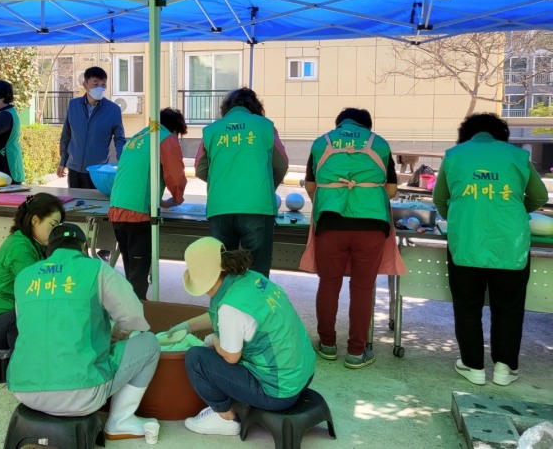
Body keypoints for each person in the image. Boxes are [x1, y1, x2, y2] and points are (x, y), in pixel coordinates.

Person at [8, 223, 160, 440]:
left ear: (48, 250)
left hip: (24, 390)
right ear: (83, 248)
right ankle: (120, 421)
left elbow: (28, 323)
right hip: (81, 395)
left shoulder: (25, 276)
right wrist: (117, 334)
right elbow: (134, 318)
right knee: (149, 343)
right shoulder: (97, 271)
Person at [432, 113, 547, 386]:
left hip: (466, 243)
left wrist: (460, 216)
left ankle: (473, 367)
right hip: (511, 245)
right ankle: (504, 369)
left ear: (467, 133)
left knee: (467, 306)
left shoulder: (453, 155)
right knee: (508, 308)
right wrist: (515, 212)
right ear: (500, 134)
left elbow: (440, 199)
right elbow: (540, 197)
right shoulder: (517, 157)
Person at [167, 237, 315, 436]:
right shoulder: (250, 279)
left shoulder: (230, 307)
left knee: (196, 358)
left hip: (278, 393)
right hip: (302, 375)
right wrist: (186, 326)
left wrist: (214, 340)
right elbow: (223, 316)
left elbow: (231, 356)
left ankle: (224, 417)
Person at [300, 107, 402, 369]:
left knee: (329, 283)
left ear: (339, 124)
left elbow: (311, 187)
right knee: (363, 287)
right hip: (372, 223)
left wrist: (332, 200)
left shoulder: (322, 142)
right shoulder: (378, 143)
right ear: (366, 126)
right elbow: (390, 189)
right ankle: (356, 352)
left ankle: (327, 345)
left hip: (331, 221)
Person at [194, 87, 288, 277]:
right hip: (257, 207)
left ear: (226, 108)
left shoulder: (211, 131)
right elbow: (281, 164)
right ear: (255, 107)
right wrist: (266, 186)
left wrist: (221, 181)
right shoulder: (265, 127)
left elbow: (200, 169)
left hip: (219, 208)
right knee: (257, 271)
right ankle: (252, 306)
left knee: (222, 269)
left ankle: (223, 306)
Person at [108, 108, 188, 299]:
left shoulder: (139, 137)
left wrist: (158, 200)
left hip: (117, 208)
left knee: (131, 268)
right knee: (138, 275)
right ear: (175, 127)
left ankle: (129, 314)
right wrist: (177, 199)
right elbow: (175, 176)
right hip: (138, 214)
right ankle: (137, 321)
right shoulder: (165, 138)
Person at [0, 193, 65, 350]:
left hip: (7, 317)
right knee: (32, 317)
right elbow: (36, 290)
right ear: (35, 221)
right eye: (53, 225)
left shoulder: (36, 243)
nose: (56, 232)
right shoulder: (20, 248)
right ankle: (24, 368)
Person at [57, 66, 126, 188]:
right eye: (95, 84)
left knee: (96, 204)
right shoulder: (73, 105)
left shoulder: (113, 109)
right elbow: (66, 135)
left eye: (103, 84)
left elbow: (119, 138)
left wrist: (122, 161)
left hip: (98, 170)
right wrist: (63, 162)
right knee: (75, 203)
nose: (100, 87)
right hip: (74, 168)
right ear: (85, 84)